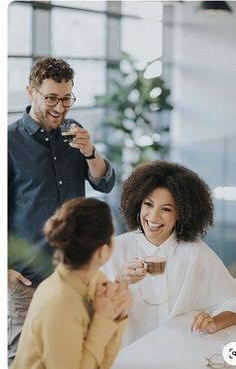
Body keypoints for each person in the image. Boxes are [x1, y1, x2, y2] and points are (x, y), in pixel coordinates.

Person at [8, 57, 115, 364]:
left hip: (73, 271)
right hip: (27, 277)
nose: (60, 107)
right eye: (51, 98)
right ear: (31, 91)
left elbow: (105, 183)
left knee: (74, 350)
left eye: (66, 98)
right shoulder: (9, 143)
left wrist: (90, 151)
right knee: (25, 356)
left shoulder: (74, 131)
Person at [102, 160, 236, 345]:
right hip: (127, 357)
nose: (154, 217)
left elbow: (232, 300)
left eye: (166, 209)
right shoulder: (116, 248)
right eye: (148, 204)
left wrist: (214, 322)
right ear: (137, 204)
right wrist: (122, 280)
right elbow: (91, 309)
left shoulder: (195, 252)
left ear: (182, 213)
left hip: (181, 354)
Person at [11, 197, 131, 369]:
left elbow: (102, 363)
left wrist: (117, 316)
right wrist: (104, 319)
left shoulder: (97, 281)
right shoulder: (58, 302)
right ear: (102, 252)